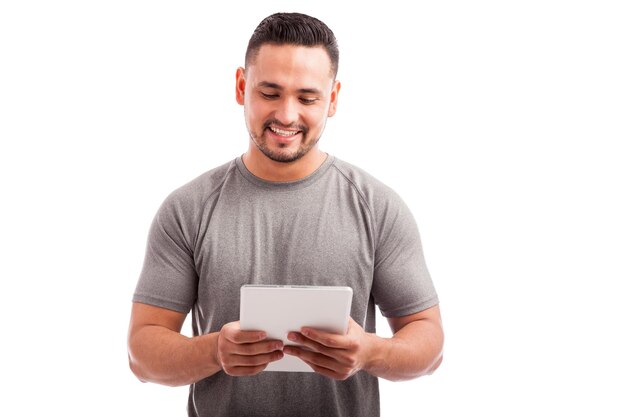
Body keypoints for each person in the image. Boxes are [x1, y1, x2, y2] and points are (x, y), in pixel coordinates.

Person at [128, 12, 444, 417]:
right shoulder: (187, 209)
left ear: (333, 98)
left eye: (307, 98)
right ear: (242, 86)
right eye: (270, 93)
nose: (287, 115)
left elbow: (429, 343)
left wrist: (369, 352)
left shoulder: (377, 207)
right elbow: (142, 353)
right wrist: (215, 351)